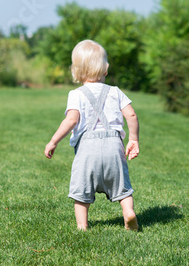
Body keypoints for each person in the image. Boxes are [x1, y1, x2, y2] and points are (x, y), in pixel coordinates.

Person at [44, 39, 140, 231]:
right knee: (122, 187)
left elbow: (71, 120)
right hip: (114, 148)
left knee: (81, 191)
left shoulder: (76, 94)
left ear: (76, 71)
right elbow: (131, 114)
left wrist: (53, 141)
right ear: (106, 69)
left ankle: (82, 225)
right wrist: (133, 140)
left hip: (87, 152)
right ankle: (128, 212)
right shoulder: (115, 91)